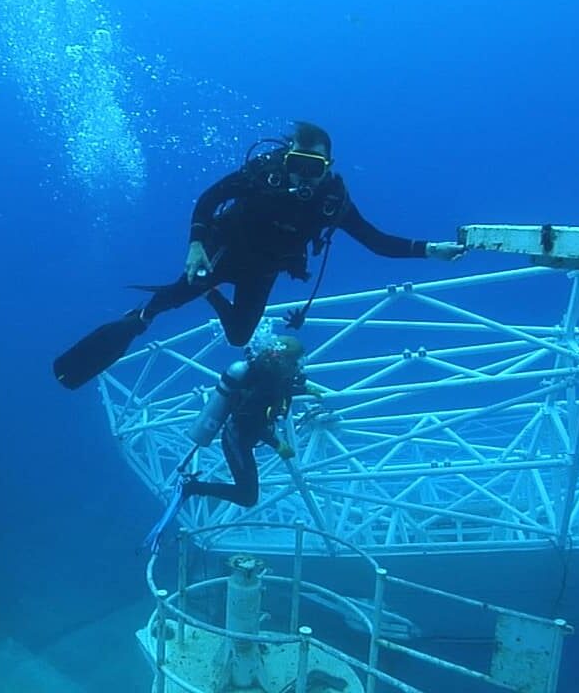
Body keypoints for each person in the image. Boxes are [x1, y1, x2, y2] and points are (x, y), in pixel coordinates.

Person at [54, 121, 466, 390]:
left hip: (265, 269)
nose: (304, 176)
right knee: (163, 305)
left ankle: (209, 293)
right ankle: (139, 317)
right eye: (298, 164)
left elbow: (376, 241)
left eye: (314, 167)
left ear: (328, 166)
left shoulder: (332, 201)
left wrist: (430, 250)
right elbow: (208, 200)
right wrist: (196, 244)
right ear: (286, 160)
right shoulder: (261, 174)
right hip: (224, 252)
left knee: (238, 337)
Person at [142, 333, 313, 552]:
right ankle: (191, 487)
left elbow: (281, 392)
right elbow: (249, 420)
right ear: (283, 361)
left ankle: (192, 487)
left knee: (248, 495)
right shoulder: (263, 385)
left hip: (243, 437)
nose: (299, 367)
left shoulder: (271, 378)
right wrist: (276, 444)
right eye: (296, 362)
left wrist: (305, 389)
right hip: (237, 440)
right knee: (247, 496)